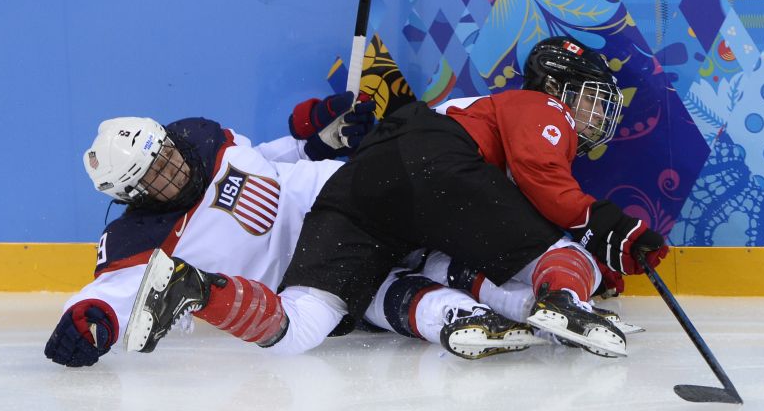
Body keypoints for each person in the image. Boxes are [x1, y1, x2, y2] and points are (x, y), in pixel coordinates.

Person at [126, 36, 666, 359]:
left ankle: (195, 289)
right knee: (569, 257)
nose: (596, 116)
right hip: (434, 161)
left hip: (357, 186)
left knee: (303, 324)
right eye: (593, 99)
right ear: (561, 88)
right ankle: (564, 304)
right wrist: (614, 228)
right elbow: (543, 178)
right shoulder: (541, 106)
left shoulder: (488, 109)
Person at [44, 92, 543, 367]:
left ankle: (553, 285)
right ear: (132, 196)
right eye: (153, 174)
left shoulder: (198, 134)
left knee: (448, 231)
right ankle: (496, 310)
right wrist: (88, 322)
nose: (171, 168)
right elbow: (106, 295)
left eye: (165, 152)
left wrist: (316, 143)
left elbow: (259, 159)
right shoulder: (138, 239)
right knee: (398, 287)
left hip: (346, 195)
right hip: (319, 269)